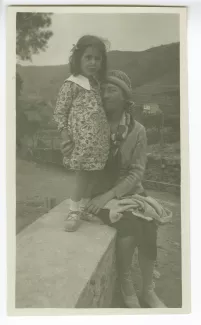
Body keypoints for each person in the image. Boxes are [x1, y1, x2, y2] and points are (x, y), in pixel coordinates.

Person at [61, 70, 166, 308]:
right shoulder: (90, 126)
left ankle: (148, 290)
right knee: (130, 227)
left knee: (149, 223)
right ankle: (126, 282)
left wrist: (112, 194)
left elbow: (136, 172)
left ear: (124, 96)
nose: (105, 95)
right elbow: (79, 162)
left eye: (112, 90)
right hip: (97, 195)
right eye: (102, 90)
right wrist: (69, 146)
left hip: (126, 192)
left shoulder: (137, 130)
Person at [54, 35, 110, 232]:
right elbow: (60, 112)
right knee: (81, 177)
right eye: (88, 57)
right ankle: (73, 209)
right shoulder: (72, 84)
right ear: (78, 59)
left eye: (97, 58)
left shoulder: (96, 84)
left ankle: (84, 208)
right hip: (81, 142)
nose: (93, 62)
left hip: (99, 142)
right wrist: (65, 137)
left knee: (93, 176)